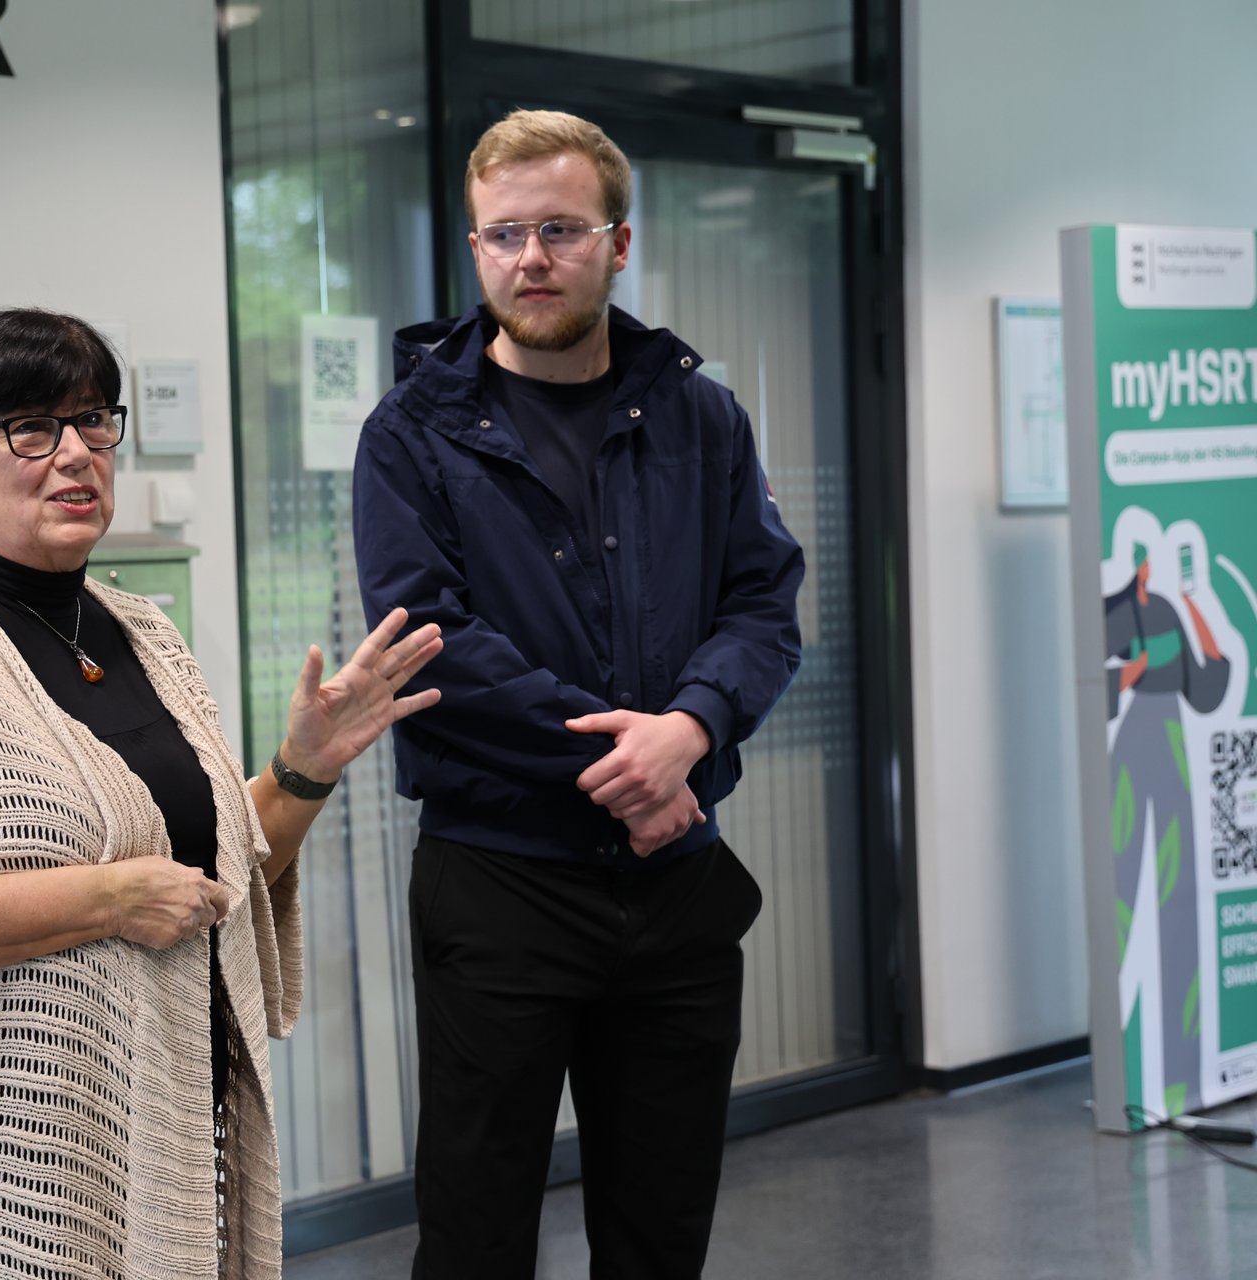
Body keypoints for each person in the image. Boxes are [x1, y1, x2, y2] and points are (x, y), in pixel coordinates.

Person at [0, 307, 442, 1280]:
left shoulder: (144, 632)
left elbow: (218, 874)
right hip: (0, 1180)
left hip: (166, 1134)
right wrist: (108, 897)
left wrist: (304, 766)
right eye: (31, 428)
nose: (75, 454)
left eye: (94, 420)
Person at [352, 109, 804, 1278]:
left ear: (619, 243)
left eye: (561, 229)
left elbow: (764, 603)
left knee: (662, 1231)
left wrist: (690, 726)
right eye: (504, 234)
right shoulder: (411, 435)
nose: (532, 258)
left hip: (674, 887)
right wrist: (636, 767)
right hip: (500, 882)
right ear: (475, 248)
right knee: (476, 1233)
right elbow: (431, 643)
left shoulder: (701, 415)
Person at [1103, 534, 1230, 1116]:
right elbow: (1098, 684)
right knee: (1123, 899)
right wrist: (1132, 672)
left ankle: (1181, 1075)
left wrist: (1196, 601)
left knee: (1180, 903)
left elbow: (1208, 685)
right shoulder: (1116, 611)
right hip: (1133, 753)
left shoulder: (1173, 610)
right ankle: (1122, 1074)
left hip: (1175, 750)